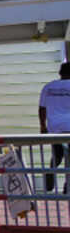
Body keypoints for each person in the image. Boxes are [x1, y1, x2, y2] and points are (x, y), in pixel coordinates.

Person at [39, 61, 70, 193]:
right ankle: (67, 187)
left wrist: (43, 126)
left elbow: (42, 108)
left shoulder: (48, 87)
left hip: (54, 128)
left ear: (60, 73)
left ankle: (49, 179)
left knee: (57, 156)